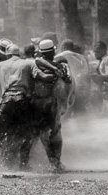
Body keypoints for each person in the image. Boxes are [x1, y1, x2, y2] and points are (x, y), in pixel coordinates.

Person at [0, 44, 56, 170]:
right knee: (28, 133)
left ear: (7, 55)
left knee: (2, 133)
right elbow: (42, 76)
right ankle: (23, 164)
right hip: (21, 101)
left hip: (5, 103)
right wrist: (55, 75)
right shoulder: (27, 63)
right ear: (19, 54)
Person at [29, 39, 69, 172]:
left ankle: (52, 161)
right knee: (55, 132)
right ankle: (55, 162)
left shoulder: (36, 63)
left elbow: (67, 79)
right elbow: (67, 81)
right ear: (53, 51)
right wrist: (57, 68)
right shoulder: (48, 63)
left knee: (39, 133)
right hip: (50, 103)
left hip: (38, 102)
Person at [90, 41, 108, 113]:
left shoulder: (107, 59)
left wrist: (97, 77)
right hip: (104, 92)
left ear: (104, 50)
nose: (95, 53)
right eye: (94, 51)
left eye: (98, 51)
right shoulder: (102, 60)